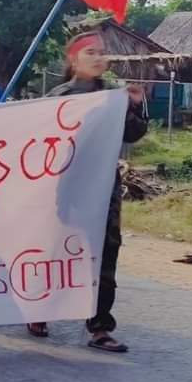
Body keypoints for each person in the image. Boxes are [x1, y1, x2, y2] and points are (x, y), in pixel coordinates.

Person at [39, 31, 148, 351]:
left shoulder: (115, 97)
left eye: (102, 53)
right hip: (66, 187)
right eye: (91, 53)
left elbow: (133, 134)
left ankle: (100, 326)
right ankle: (40, 309)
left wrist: (137, 106)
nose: (99, 58)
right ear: (73, 60)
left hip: (104, 187)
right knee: (56, 248)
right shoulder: (59, 97)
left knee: (105, 252)